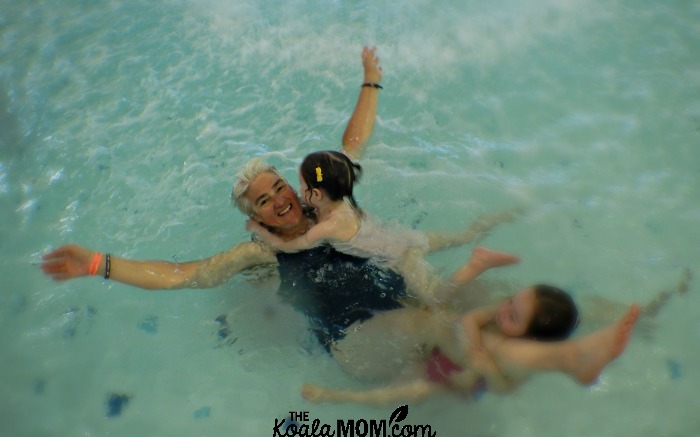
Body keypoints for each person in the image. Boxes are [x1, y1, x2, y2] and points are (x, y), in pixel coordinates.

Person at [40, 46, 639, 390]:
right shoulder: (261, 252)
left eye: (279, 186)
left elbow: (354, 141)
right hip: (357, 343)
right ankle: (559, 361)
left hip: (403, 307)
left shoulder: (333, 200)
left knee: (505, 294)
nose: (279, 199)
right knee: (439, 321)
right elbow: (181, 273)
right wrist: (98, 263)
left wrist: (371, 78)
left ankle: (622, 319)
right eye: (262, 201)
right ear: (254, 216)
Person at [246, 149, 520, 303]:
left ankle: (476, 265)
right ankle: (499, 218)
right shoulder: (343, 201)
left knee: (437, 298)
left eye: (303, 186)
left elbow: (289, 245)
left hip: (401, 257)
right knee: (463, 236)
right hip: (405, 237)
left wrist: (259, 230)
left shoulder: (325, 226)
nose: (298, 190)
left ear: (316, 194)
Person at [301, 289, 639, 406]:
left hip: (454, 379)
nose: (504, 309)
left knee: (409, 390)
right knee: (434, 327)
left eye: (514, 315)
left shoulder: (515, 360)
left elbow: (502, 389)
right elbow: (471, 320)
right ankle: (575, 356)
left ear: (528, 335)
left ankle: (341, 398)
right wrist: (477, 340)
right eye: (511, 302)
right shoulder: (501, 317)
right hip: (446, 353)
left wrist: (484, 366)